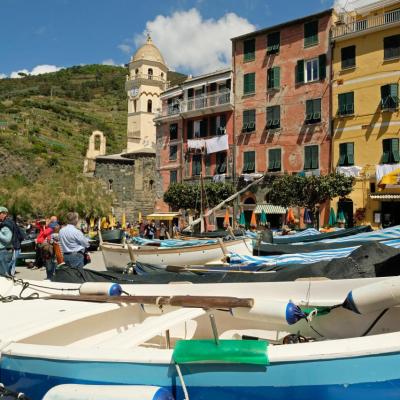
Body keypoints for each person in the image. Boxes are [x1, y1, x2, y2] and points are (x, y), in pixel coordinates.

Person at [0, 207, 13, 276]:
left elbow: (8, 239)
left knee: (5, 275)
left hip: (4, 252)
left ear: (4, 214)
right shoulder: (1, 224)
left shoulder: (7, 224)